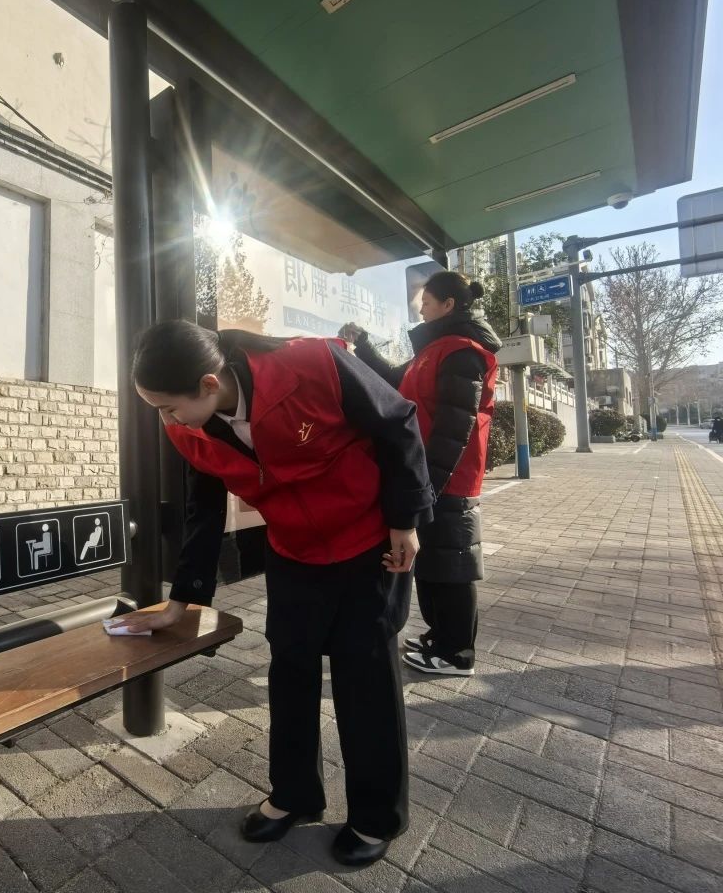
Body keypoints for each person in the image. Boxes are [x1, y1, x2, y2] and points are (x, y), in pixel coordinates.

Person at [113, 320, 433, 868]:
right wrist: (180, 602)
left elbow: (397, 419)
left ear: (208, 384)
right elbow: (203, 510)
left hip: (367, 542)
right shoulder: (189, 430)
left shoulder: (312, 364)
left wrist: (406, 520)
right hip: (292, 550)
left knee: (366, 678)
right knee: (290, 672)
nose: (166, 420)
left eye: (168, 407)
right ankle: (294, 795)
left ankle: (376, 817)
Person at [341, 271, 500, 678]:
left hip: (448, 479)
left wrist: (429, 486)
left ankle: (457, 652)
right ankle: (439, 636)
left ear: (448, 305)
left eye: (427, 302)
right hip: (428, 475)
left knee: (452, 567)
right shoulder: (435, 349)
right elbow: (396, 380)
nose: (421, 309)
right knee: (432, 564)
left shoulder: (463, 352)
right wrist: (363, 345)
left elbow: (454, 428)